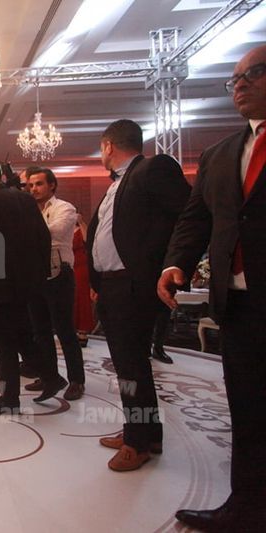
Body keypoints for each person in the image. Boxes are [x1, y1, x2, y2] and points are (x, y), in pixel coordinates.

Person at [158, 45, 266, 531]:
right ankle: (246, 507)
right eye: (234, 78)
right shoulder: (220, 154)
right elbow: (196, 218)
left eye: (253, 73)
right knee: (247, 408)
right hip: (238, 303)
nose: (240, 84)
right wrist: (175, 263)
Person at [86, 119, 190, 472]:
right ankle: (146, 433)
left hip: (133, 285)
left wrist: (168, 265)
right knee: (130, 366)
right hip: (114, 286)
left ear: (109, 146)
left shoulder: (153, 168)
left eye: (101, 148)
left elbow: (187, 217)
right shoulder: (118, 182)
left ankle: (137, 442)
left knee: (130, 366)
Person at [0, 158, 52, 413]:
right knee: (22, 334)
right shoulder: (26, 198)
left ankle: (8, 399)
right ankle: (51, 376)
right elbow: (43, 236)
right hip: (27, 283)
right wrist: (41, 273)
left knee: (4, 343)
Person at [25, 167, 85, 400]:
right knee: (40, 332)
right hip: (34, 275)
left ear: (52, 185)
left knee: (65, 330)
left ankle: (77, 380)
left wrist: (23, 231)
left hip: (60, 275)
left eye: (39, 184)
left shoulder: (65, 208)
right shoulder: (29, 210)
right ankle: (49, 376)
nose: (34, 189)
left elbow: (54, 232)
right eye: (31, 185)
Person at [72, 213, 93, 346]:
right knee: (72, 298)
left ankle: (83, 330)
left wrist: (81, 222)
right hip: (70, 266)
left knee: (82, 297)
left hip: (81, 267)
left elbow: (87, 241)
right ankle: (72, 329)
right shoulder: (66, 230)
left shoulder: (81, 229)